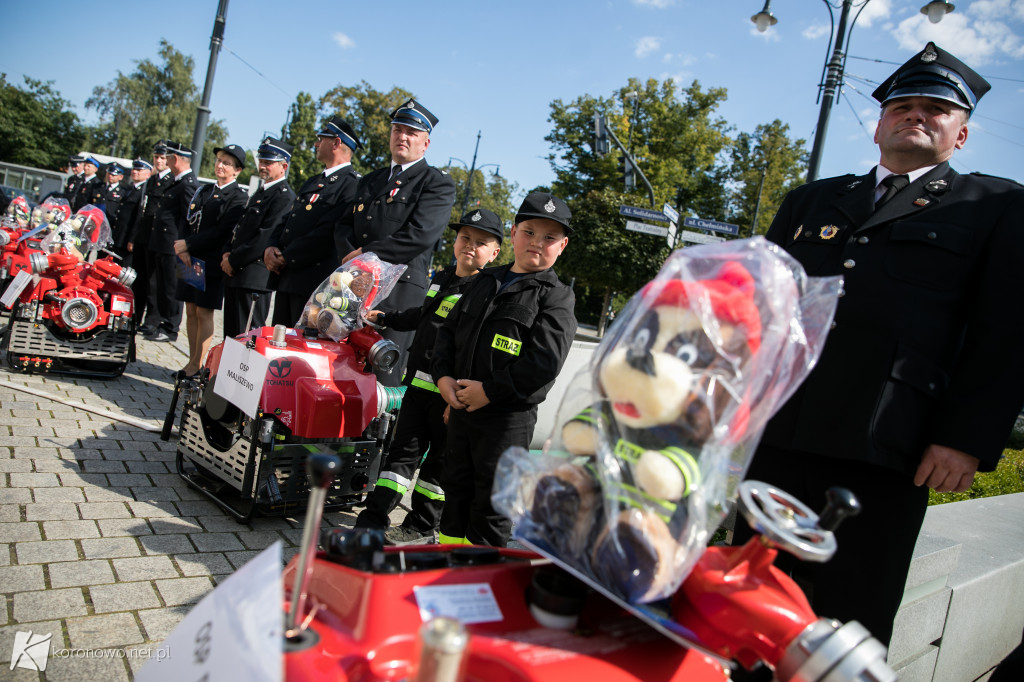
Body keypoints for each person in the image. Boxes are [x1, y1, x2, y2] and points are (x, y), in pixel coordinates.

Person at [734, 42, 1024, 647]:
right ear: (879, 126)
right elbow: (763, 306)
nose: (916, 115)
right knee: (750, 602)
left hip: (888, 445)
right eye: (902, 106)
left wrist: (964, 439)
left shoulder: (996, 206)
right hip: (782, 434)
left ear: (962, 135)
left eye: (936, 109)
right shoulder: (811, 200)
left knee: (848, 619)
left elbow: (1006, 330)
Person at [431, 192, 577, 546]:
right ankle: (449, 570)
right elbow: (448, 332)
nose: (537, 243)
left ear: (563, 245)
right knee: (455, 497)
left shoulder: (556, 296)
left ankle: (480, 585)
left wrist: (489, 392)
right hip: (463, 410)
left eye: (549, 237)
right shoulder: (484, 280)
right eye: (529, 232)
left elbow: (543, 363)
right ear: (513, 233)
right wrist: (444, 378)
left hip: (506, 420)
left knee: (491, 509)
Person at [355, 208, 504, 544]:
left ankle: (422, 525)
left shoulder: (488, 291)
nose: (469, 245)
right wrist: (383, 317)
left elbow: (474, 348)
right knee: (400, 458)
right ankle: (371, 523)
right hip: (418, 389)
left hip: (449, 396)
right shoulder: (444, 276)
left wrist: (459, 401)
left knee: (437, 468)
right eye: (465, 237)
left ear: (495, 253)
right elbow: (424, 315)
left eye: (481, 242)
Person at [336, 99, 456, 387]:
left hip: (398, 295)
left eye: (411, 133)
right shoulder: (370, 180)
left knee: (381, 376)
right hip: (355, 286)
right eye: (397, 129)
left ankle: (375, 434)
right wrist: (350, 258)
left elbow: (420, 234)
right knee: (342, 365)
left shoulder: (435, 183)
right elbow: (342, 225)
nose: (402, 137)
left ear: (425, 144)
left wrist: (364, 255)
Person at [264, 116, 361, 327]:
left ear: (336, 143)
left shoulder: (350, 185)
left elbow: (326, 232)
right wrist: (271, 246)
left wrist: (287, 256)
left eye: (321, 139)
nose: (316, 144)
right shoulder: (313, 181)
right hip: (288, 277)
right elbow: (289, 219)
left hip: (314, 283)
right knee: (278, 341)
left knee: (299, 348)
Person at [172, 144, 248, 376]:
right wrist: (183, 246)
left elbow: (222, 231)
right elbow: (188, 220)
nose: (220, 165)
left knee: (204, 311)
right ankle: (190, 360)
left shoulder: (238, 197)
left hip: (211, 262)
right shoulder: (203, 191)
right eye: (218, 160)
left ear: (237, 170)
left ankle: (198, 364)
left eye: (227, 163)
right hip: (189, 259)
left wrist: (189, 244)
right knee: (191, 310)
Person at [221, 137, 295, 338]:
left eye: (268, 162)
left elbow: (265, 237)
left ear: (283, 166)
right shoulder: (261, 192)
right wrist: (227, 252)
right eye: (261, 161)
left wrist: (233, 260)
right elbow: (240, 228)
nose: (263, 166)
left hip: (254, 277)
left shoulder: (284, 196)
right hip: (237, 275)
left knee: (247, 340)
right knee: (231, 337)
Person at [143, 141, 197, 342]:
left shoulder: (188, 184)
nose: (164, 160)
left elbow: (190, 218)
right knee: (159, 286)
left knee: (171, 288)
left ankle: (170, 327)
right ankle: (160, 323)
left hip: (173, 245)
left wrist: (184, 245)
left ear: (175, 159)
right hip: (162, 243)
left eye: (167, 157)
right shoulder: (177, 182)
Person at [131, 142, 172, 328]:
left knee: (153, 283)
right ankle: (135, 316)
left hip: (157, 237)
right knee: (138, 280)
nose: (159, 161)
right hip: (144, 235)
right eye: (156, 157)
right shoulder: (151, 180)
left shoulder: (171, 181)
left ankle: (152, 321)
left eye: (163, 157)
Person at [114, 159, 152, 267]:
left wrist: (133, 239)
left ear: (148, 174)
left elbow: (139, 217)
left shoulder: (144, 191)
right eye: (134, 169)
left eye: (139, 170)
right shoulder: (131, 189)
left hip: (128, 240)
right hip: (120, 237)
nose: (135, 171)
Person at [99, 163, 127, 244]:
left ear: (120, 177)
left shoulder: (123, 191)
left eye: (114, 175)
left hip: (109, 226)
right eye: (109, 173)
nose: (110, 176)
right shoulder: (99, 187)